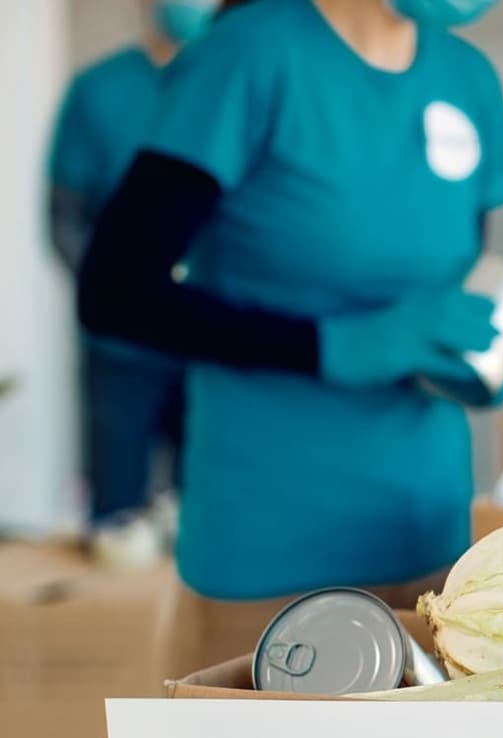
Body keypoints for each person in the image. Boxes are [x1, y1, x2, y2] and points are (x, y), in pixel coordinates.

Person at [77, 0, 503, 603]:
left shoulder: (468, 77)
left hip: (433, 545)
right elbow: (115, 291)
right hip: (271, 551)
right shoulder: (250, 55)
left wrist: (478, 351)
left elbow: (454, 279)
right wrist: (335, 346)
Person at [49, 0, 220, 552]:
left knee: (214, 509)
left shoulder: (231, 81)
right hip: (122, 345)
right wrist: (128, 294)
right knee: (118, 520)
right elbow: (63, 218)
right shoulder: (100, 90)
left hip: (216, 337)